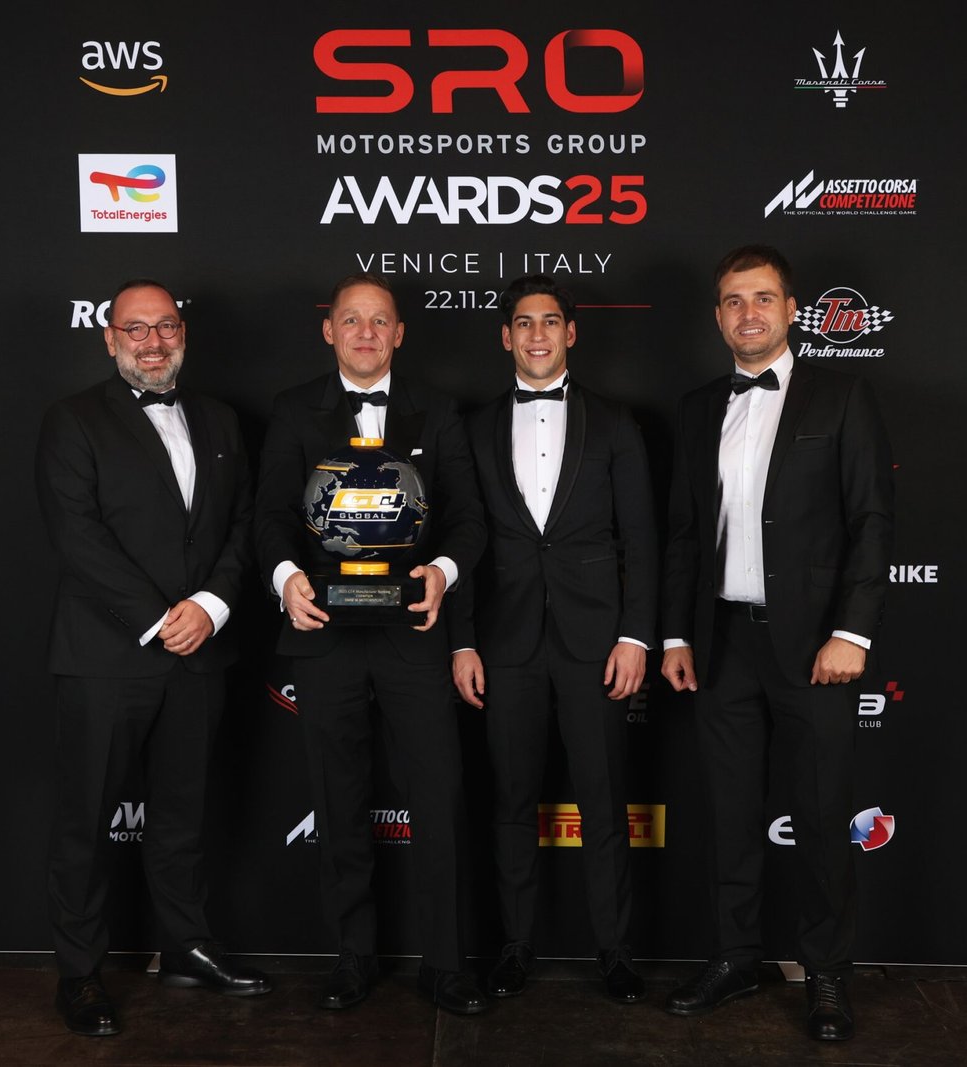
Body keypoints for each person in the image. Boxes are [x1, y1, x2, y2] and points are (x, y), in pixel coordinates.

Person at [660, 246, 894, 1041]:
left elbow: (871, 520)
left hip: (815, 648)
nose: (748, 313)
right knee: (729, 812)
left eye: (763, 298)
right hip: (721, 639)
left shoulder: (842, 396)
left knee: (823, 815)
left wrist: (852, 631)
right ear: (718, 316)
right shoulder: (698, 407)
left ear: (792, 310)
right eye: (733, 300)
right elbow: (684, 533)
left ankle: (826, 973)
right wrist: (676, 633)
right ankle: (735, 958)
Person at [35, 279, 269, 1037]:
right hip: (107, 656)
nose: (152, 342)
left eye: (165, 327)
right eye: (136, 329)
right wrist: (158, 619)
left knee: (183, 816)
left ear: (183, 335)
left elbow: (243, 525)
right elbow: (78, 536)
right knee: (86, 821)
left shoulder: (222, 418)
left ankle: (186, 947)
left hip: (200, 651)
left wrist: (212, 607)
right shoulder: (73, 419)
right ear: (110, 338)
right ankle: (79, 973)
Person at [254, 272, 489, 1015]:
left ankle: (445, 962)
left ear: (399, 333)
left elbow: (469, 519)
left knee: (439, 795)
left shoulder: (439, 410)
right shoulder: (293, 409)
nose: (365, 332)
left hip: (414, 630)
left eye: (379, 320)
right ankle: (352, 956)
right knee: (338, 796)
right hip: (323, 633)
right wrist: (287, 579)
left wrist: (443, 572)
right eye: (351, 319)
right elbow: (269, 517)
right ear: (329, 331)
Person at [448, 275, 656, 1003]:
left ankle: (615, 950)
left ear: (571, 332)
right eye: (523, 323)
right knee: (511, 800)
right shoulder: (472, 427)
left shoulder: (616, 423)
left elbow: (642, 538)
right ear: (505, 336)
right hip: (503, 643)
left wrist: (636, 636)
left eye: (549, 322)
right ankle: (515, 944)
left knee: (604, 800)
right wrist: (462, 642)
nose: (536, 335)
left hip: (596, 642)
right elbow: (460, 541)